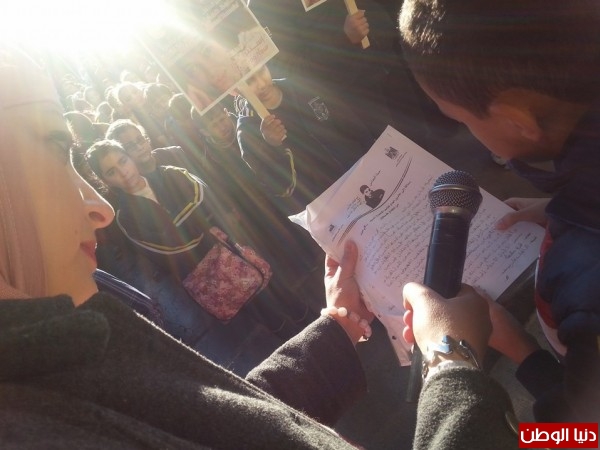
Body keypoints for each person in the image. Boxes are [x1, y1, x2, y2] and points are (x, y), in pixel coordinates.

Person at [1, 44, 521, 449]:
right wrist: (452, 364)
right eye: (57, 149)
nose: (100, 208)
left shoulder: (69, 350)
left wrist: (335, 327)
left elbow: (227, 425)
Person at [399, 0, 600, 422]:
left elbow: (581, 435)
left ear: (518, 122)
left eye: (461, 120)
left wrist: (521, 350)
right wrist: (564, 209)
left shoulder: (588, 303)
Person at [236, 64, 375, 215]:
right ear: (237, 89)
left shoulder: (300, 86)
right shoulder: (247, 130)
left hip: (362, 175)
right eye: (249, 81)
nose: (261, 84)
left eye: (261, 71)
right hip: (327, 207)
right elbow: (280, 189)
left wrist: (375, 157)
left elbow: (350, 122)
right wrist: (273, 146)